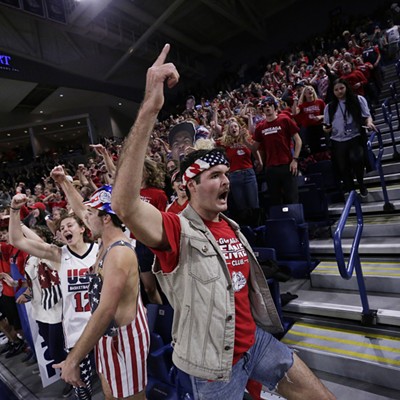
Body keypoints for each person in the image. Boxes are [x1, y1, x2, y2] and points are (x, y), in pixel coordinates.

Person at [112, 43, 336, 400]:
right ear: (190, 185)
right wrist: (150, 109)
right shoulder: (175, 228)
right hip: (216, 367)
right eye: (215, 175)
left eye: (226, 172)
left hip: (257, 345)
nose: (226, 180)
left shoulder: (230, 226)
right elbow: (124, 205)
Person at [53, 185, 149, 400]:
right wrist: (65, 183)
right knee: (109, 393)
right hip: (108, 335)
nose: (85, 219)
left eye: (91, 214)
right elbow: (81, 209)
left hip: (124, 339)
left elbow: (105, 311)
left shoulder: (119, 252)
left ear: (105, 218)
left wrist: (73, 359)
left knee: (129, 397)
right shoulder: (104, 242)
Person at [8, 194, 98, 400]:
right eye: (62, 228)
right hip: (76, 333)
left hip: (103, 326)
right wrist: (14, 211)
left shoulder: (99, 249)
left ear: (83, 228)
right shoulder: (58, 255)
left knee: (113, 383)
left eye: (70, 225)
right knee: (82, 389)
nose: (66, 229)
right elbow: (17, 240)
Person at [323, 78, 376, 196]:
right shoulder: (329, 107)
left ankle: (361, 184)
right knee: (344, 168)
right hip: (338, 141)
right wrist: (326, 129)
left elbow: (367, 116)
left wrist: (369, 123)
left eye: (341, 88)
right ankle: (352, 192)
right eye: (336, 90)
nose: (339, 91)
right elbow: (326, 126)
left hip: (355, 137)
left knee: (357, 159)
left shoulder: (358, 99)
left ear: (346, 87)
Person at [252, 96, 302, 206]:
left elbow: (298, 141)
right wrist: (242, 140)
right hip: (271, 168)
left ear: (274, 106)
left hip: (287, 165)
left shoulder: (284, 120)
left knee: (292, 198)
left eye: (269, 104)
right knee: (275, 200)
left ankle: (296, 221)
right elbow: (254, 148)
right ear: (262, 110)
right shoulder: (260, 127)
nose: (267, 107)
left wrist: (295, 160)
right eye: (264, 106)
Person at [217, 117, 261, 222]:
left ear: (239, 128)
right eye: (231, 127)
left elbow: (254, 150)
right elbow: (213, 139)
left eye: (236, 126)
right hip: (234, 176)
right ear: (228, 130)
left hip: (248, 174)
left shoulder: (246, 139)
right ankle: (246, 230)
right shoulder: (225, 143)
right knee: (241, 206)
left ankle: (258, 228)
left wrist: (260, 161)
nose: (234, 128)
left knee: (254, 204)